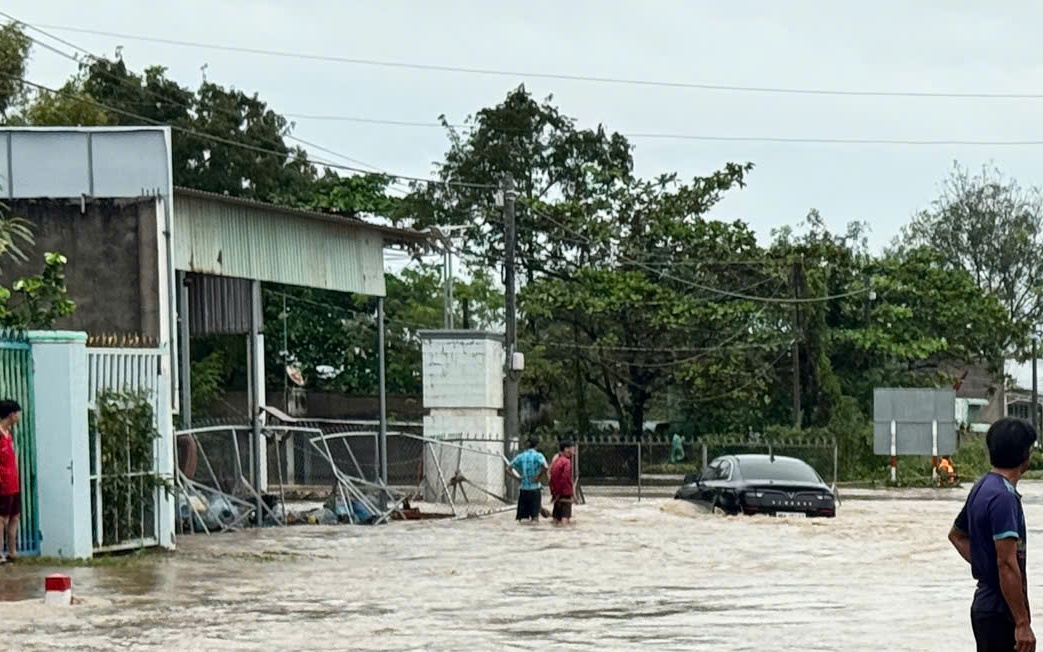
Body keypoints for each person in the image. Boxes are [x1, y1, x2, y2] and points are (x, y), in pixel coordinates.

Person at [949, 418, 1037, 652]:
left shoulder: (983, 486)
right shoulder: (1003, 498)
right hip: (1001, 611)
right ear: (1024, 455)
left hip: (985, 606)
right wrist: (1022, 623)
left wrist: (985, 566)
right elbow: (1006, 563)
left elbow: (957, 535)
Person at [507, 436, 548, 523]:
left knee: (523, 519)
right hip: (535, 489)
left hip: (523, 490)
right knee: (535, 519)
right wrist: (538, 476)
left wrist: (517, 478)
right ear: (537, 445)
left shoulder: (520, 456)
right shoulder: (538, 456)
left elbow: (507, 469)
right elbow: (545, 467)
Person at [0, 400, 22, 564]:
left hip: (13, 482)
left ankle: (12, 552)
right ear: (11, 414)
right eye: (17, 413)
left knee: (15, 516)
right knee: (2, 519)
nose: (19, 417)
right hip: (3, 483)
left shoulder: (9, 434)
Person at [550, 441, 576, 525]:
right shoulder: (567, 462)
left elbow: (551, 478)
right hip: (565, 494)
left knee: (555, 521)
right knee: (565, 522)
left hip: (557, 495)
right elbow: (565, 478)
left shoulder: (556, 461)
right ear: (566, 449)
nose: (574, 451)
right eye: (573, 448)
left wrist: (555, 493)